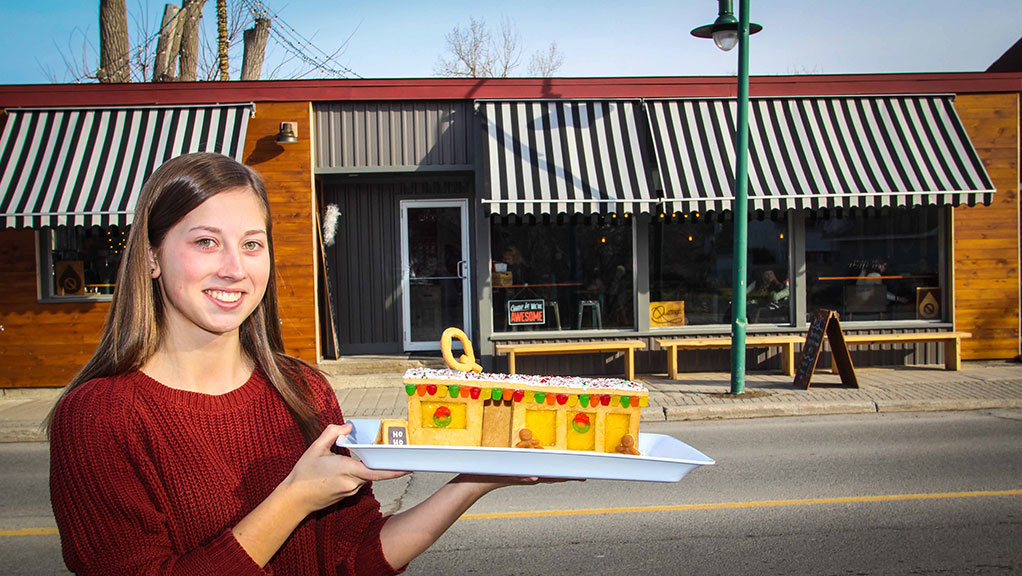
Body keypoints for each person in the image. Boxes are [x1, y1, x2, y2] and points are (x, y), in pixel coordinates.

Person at [48, 152, 550, 575]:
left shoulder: (303, 389)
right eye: (206, 242)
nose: (234, 268)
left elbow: (353, 557)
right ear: (152, 256)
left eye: (251, 244)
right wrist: (294, 499)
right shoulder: (98, 418)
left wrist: (477, 479)